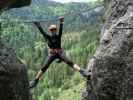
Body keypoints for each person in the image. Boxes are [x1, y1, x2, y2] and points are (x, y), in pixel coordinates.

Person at [29, 16, 90, 89]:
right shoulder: (48, 37)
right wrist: (38, 25)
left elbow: (61, 30)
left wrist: (61, 22)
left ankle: (83, 72)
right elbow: (42, 32)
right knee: (44, 66)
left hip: (60, 52)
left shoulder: (58, 36)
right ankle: (35, 81)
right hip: (52, 54)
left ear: (56, 30)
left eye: (54, 30)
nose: (53, 31)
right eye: (52, 30)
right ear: (50, 31)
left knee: (70, 62)